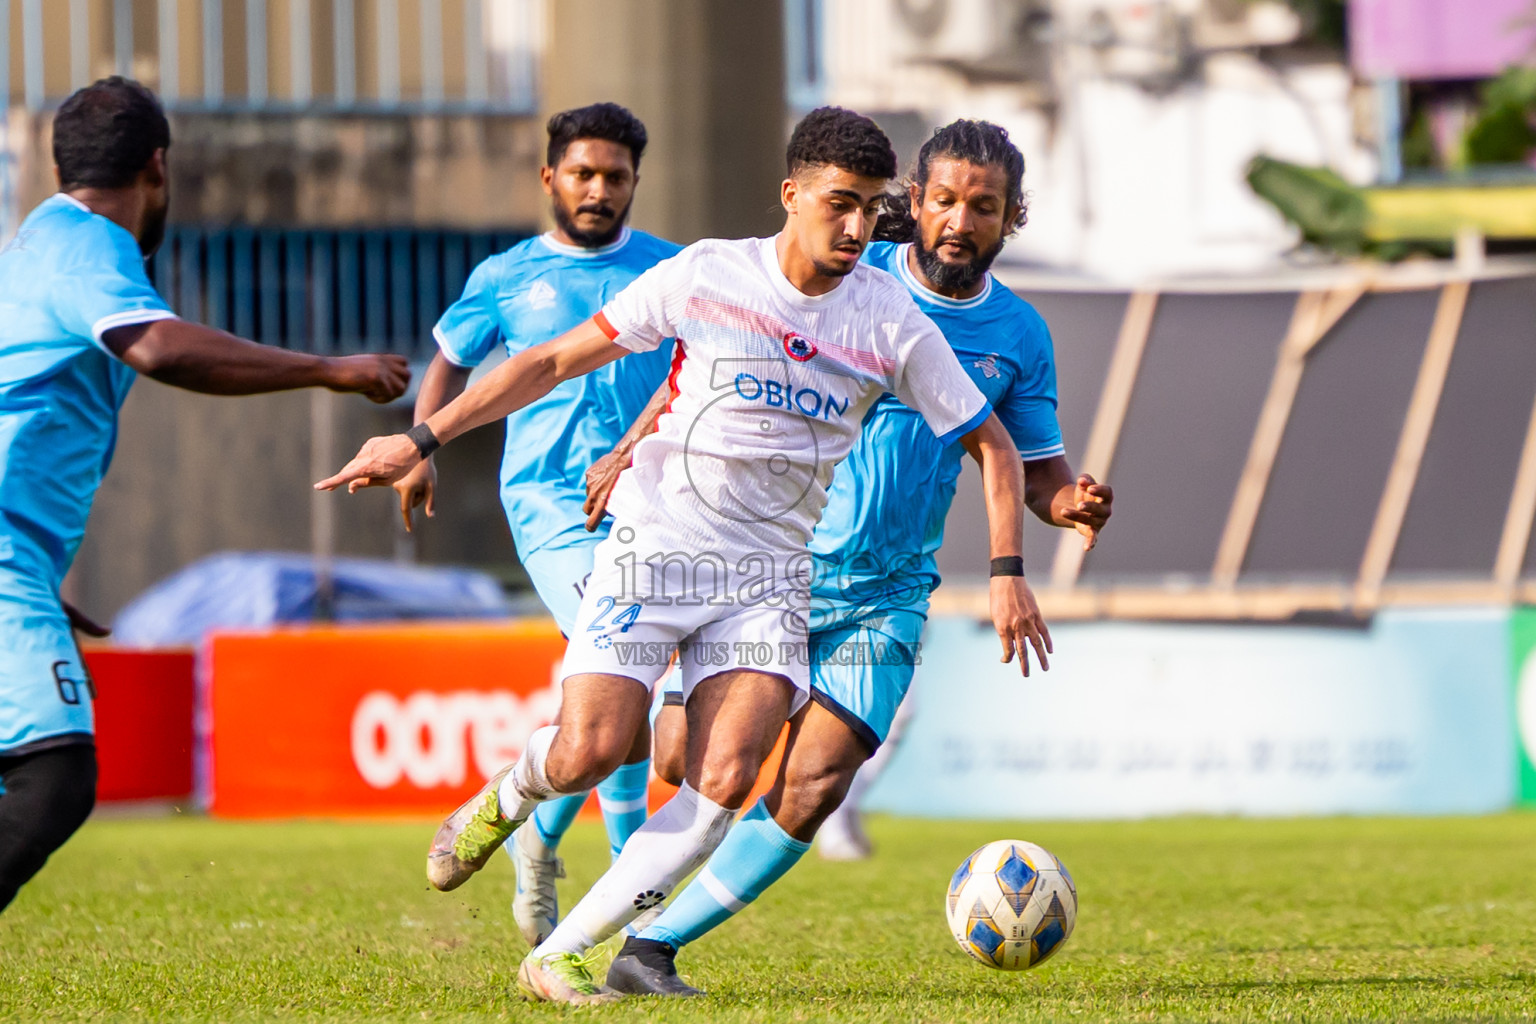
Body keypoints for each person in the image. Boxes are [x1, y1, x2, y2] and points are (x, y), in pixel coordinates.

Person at [316, 106, 1050, 1005]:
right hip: (659, 548)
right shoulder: (708, 274)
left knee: (725, 780)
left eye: (867, 209)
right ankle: (508, 798)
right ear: (792, 196)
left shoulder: (890, 319)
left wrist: (1010, 571)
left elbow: (996, 445)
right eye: (838, 205)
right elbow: (550, 362)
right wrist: (423, 438)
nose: (856, 228)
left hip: (770, 575)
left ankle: (568, 954)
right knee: (597, 749)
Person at [589, 119, 1115, 996]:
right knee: (680, 759)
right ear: (914, 201)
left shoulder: (1018, 335)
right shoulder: (848, 279)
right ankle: (580, 876)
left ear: (1011, 218)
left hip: (890, 590)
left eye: (983, 206)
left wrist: (1070, 503)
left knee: (816, 783)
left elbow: (1030, 467)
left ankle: (648, 950)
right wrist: (631, 445)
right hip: (766, 569)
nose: (959, 219)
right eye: (943, 199)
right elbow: (708, 367)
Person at [0, 77, 409, 913]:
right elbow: (155, 347)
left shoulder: (36, 241)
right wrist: (328, 368)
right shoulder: (88, 246)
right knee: (53, 773)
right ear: (157, 167)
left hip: (19, 560)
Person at [389, 102, 679, 945]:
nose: (598, 190)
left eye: (615, 177)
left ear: (633, 184)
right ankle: (634, 922)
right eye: (583, 174)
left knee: (610, 700)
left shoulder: (669, 269)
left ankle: (537, 839)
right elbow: (448, 358)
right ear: (550, 177)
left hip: (648, 505)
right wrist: (422, 448)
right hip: (551, 505)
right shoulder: (507, 275)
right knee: (628, 677)